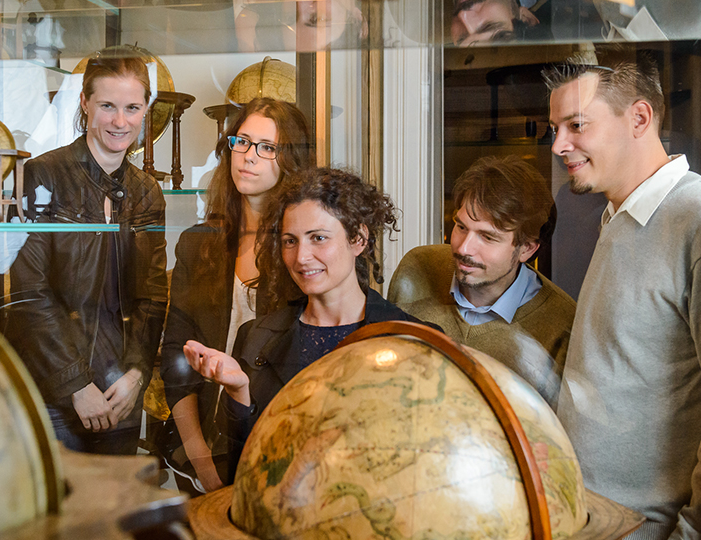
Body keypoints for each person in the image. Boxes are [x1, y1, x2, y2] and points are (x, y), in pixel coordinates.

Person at [182, 168, 441, 482]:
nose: (301, 257)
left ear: (358, 238)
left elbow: (423, 474)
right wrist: (239, 391)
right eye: (291, 241)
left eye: (318, 238)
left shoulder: (414, 341)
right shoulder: (254, 337)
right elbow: (241, 475)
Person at [545, 46, 701, 539]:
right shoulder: (615, 216)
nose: (557, 145)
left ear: (639, 118)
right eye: (555, 129)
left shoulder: (692, 218)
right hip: (587, 521)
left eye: (576, 125)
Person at [4, 48, 168, 455]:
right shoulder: (43, 174)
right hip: (55, 394)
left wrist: (136, 374)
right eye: (107, 106)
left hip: (121, 393)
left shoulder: (147, 191)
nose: (120, 121)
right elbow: (29, 293)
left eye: (132, 107)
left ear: (145, 110)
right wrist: (76, 385)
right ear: (84, 103)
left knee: (114, 515)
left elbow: (153, 295)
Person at [159, 98, 313, 494]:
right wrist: (200, 458)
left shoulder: (305, 253)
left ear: (289, 160)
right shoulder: (198, 244)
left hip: (281, 450)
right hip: (203, 446)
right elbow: (177, 355)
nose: (248, 156)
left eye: (267, 147)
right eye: (241, 142)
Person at [388, 155, 575, 409]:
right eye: (461, 227)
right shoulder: (416, 270)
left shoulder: (561, 327)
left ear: (526, 249)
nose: (464, 248)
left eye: (487, 237)